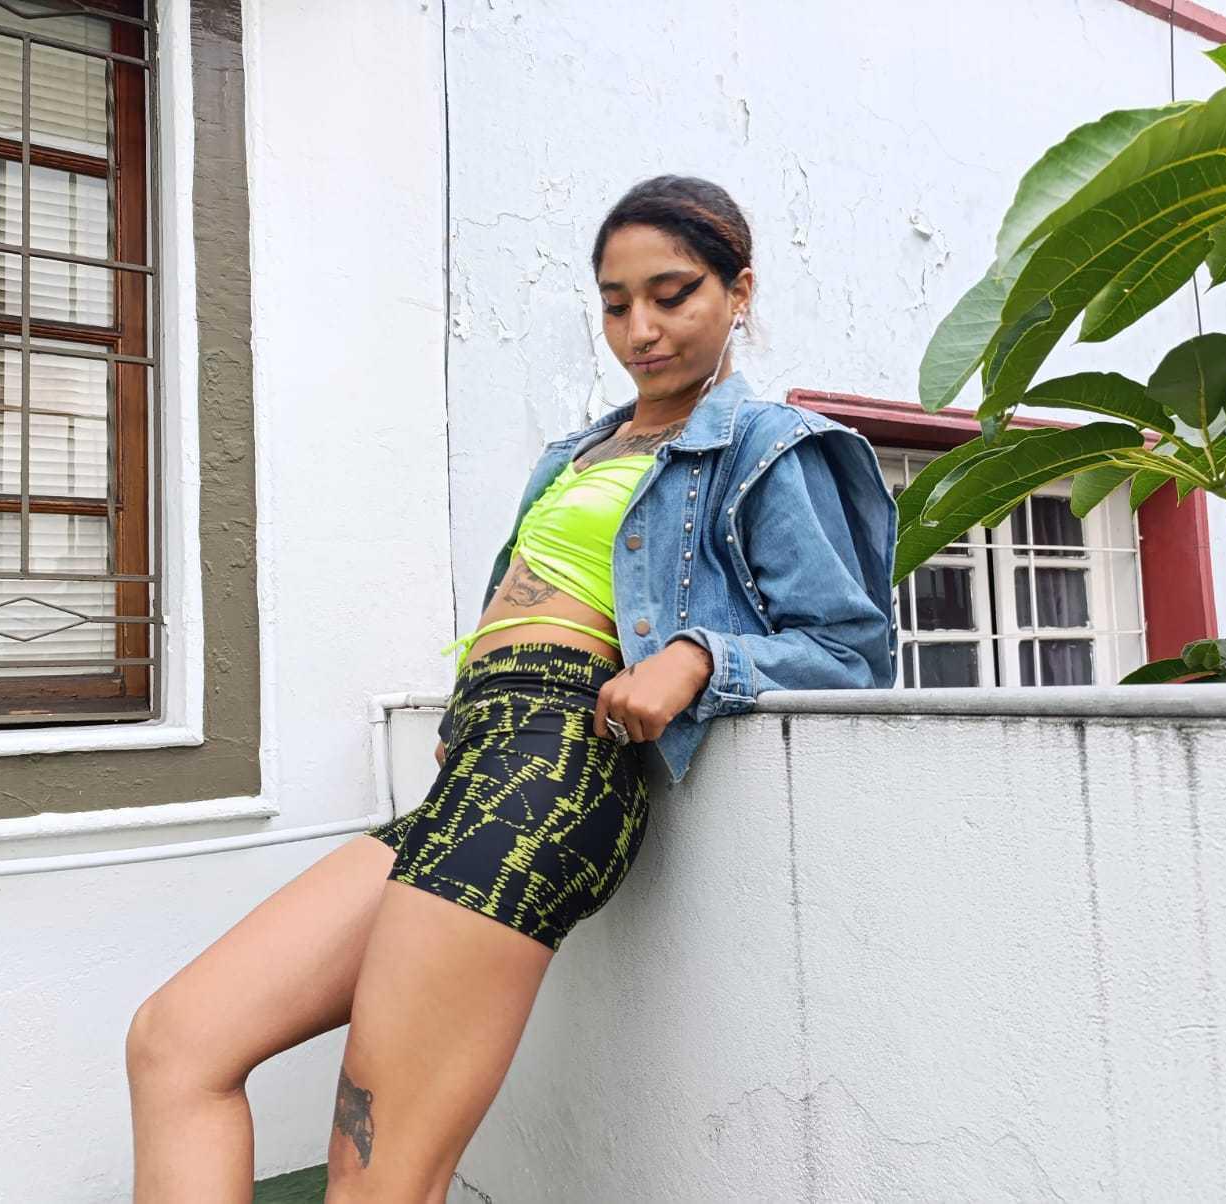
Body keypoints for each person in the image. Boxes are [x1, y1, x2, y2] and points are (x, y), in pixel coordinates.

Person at [124, 174, 898, 1203]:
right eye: (616, 304)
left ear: (739, 290)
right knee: (176, 1041)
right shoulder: (575, 453)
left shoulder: (767, 448)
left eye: (672, 296)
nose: (640, 330)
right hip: (482, 764)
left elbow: (848, 648)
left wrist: (697, 658)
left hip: (560, 767)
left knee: (375, 1174)